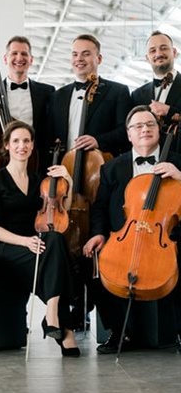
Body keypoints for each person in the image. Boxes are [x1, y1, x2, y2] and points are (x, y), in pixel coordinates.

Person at [46, 33, 134, 330]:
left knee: (100, 245)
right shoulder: (58, 96)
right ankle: (73, 309)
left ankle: (109, 318)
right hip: (68, 184)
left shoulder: (119, 91)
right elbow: (50, 139)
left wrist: (98, 140)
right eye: (74, 54)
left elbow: (126, 132)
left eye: (86, 53)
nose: (79, 59)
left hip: (100, 181)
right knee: (67, 251)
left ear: (99, 58)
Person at [83, 105, 181, 354]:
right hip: (126, 236)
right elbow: (100, 207)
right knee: (94, 266)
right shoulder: (112, 167)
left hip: (169, 236)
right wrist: (97, 233)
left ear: (158, 130)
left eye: (149, 124)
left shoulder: (178, 161)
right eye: (137, 126)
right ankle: (119, 332)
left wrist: (180, 176)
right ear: (128, 134)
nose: (144, 129)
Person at [0, 120, 80, 357]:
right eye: (15, 141)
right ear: (6, 146)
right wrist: (25, 241)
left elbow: (62, 208)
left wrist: (68, 178)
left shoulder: (40, 181)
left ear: (33, 145)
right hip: (7, 245)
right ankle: (64, 327)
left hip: (37, 242)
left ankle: (53, 312)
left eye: (26, 140)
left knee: (55, 238)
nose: (21, 146)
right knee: (56, 253)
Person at [0, 36, 55, 169]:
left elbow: (50, 130)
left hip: (35, 163)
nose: (19, 58)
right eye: (14, 53)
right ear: (5, 59)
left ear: (31, 60)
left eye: (24, 54)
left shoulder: (47, 92)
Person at [131, 31, 181, 154]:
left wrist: (170, 111)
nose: (158, 54)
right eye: (153, 50)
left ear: (174, 52)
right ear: (147, 58)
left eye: (164, 48)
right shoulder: (137, 95)